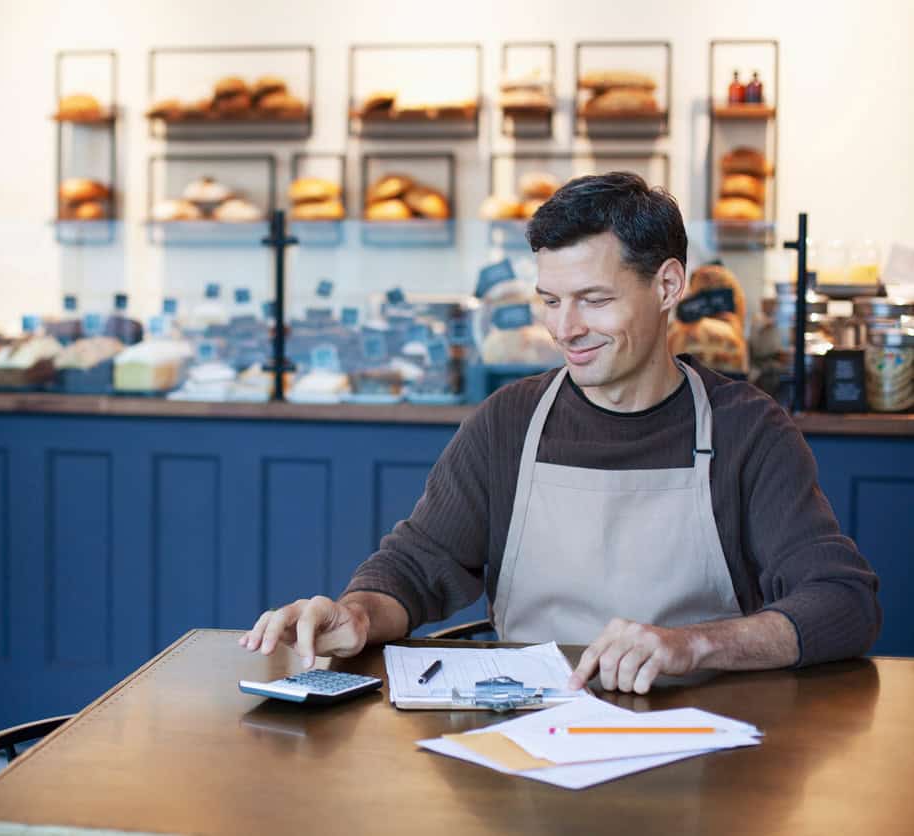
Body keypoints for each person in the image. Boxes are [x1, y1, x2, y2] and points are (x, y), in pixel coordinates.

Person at [240, 172, 881, 695]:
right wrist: (356, 612)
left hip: (698, 737)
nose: (565, 328)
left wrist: (696, 643)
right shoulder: (509, 422)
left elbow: (843, 602)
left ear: (667, 285)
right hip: (524, 731)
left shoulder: (749, 430)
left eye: (593, 300)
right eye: (551, 299)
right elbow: (415, 567)